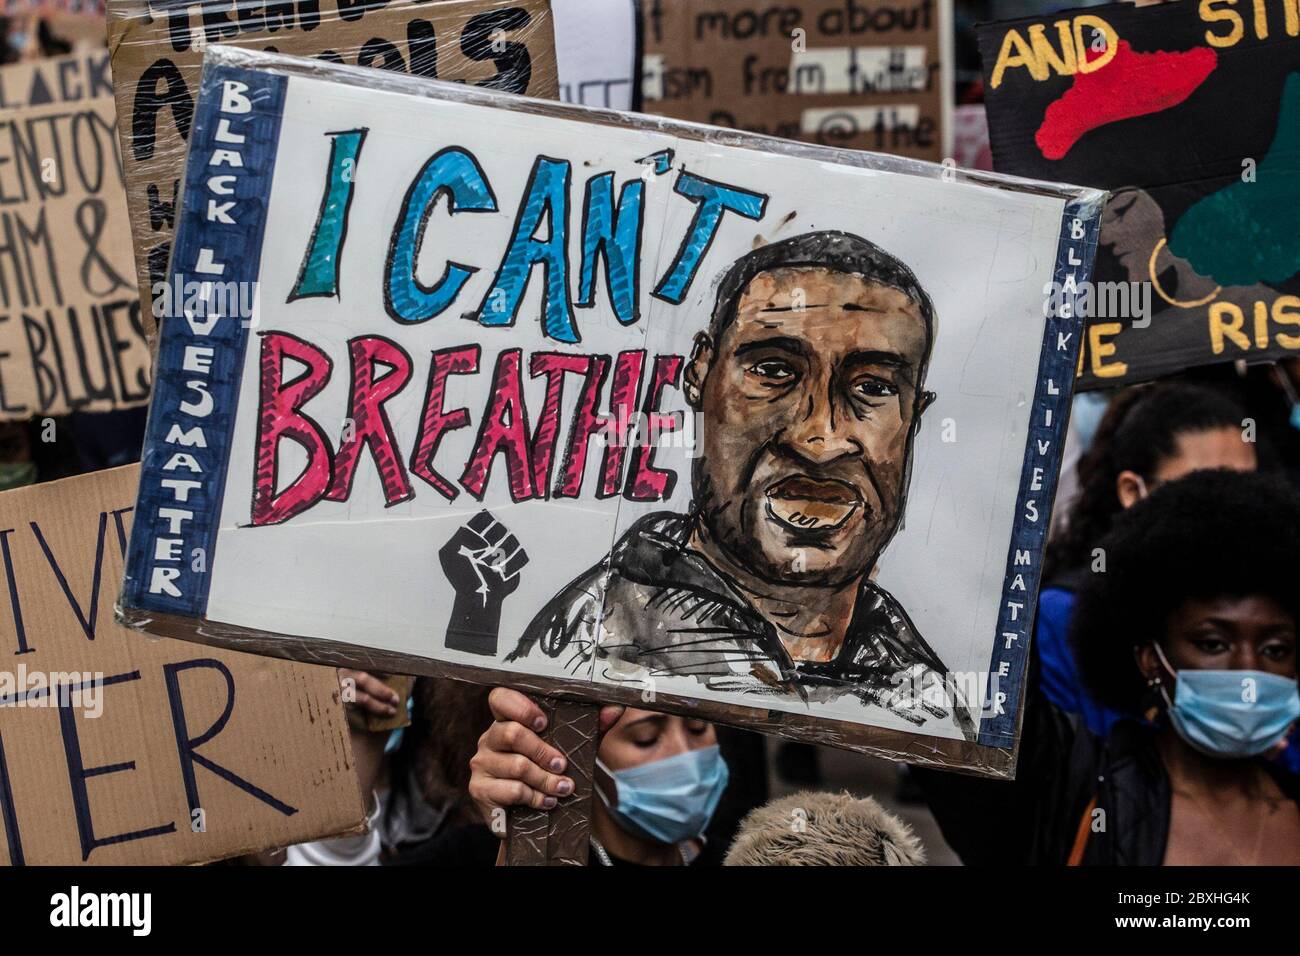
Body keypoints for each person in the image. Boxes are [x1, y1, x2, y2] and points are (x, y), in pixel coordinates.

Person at [509, 231, 973, 739]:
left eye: (874, 388)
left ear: (914, 416)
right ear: (700, 375)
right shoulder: (585, 658)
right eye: (774, 371)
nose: (820, 439)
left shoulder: (933, 692)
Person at [918, 470, 1300, 865]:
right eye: (1213, 643)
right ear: (1150, 658)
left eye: (1276, 649)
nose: (1247, 670)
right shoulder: (1068, 789)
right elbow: (960, 671)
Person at [1038, 382, 1255, 736]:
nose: (1231, 510)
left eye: (1248, 489)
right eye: (1202, 490)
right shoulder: (1063, 614)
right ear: (1132, 491)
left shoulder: (1270, 609)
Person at [466, 688, 729, 866]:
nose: (684, 756)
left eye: (698, 727)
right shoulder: (470, 854)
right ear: (587, 751)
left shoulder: (742, 856)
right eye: (646, 738)